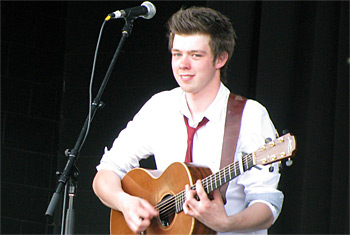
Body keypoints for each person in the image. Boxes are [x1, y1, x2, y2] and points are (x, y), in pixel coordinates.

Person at [93, 6, 283, 235]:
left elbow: (267, 205)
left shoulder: (250, 116)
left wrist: (225, 223)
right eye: (177, 54)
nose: (183, 64)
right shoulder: (160, 107)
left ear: (220, 58)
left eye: (195, 55)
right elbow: (106, 172)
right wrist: (125, 203)